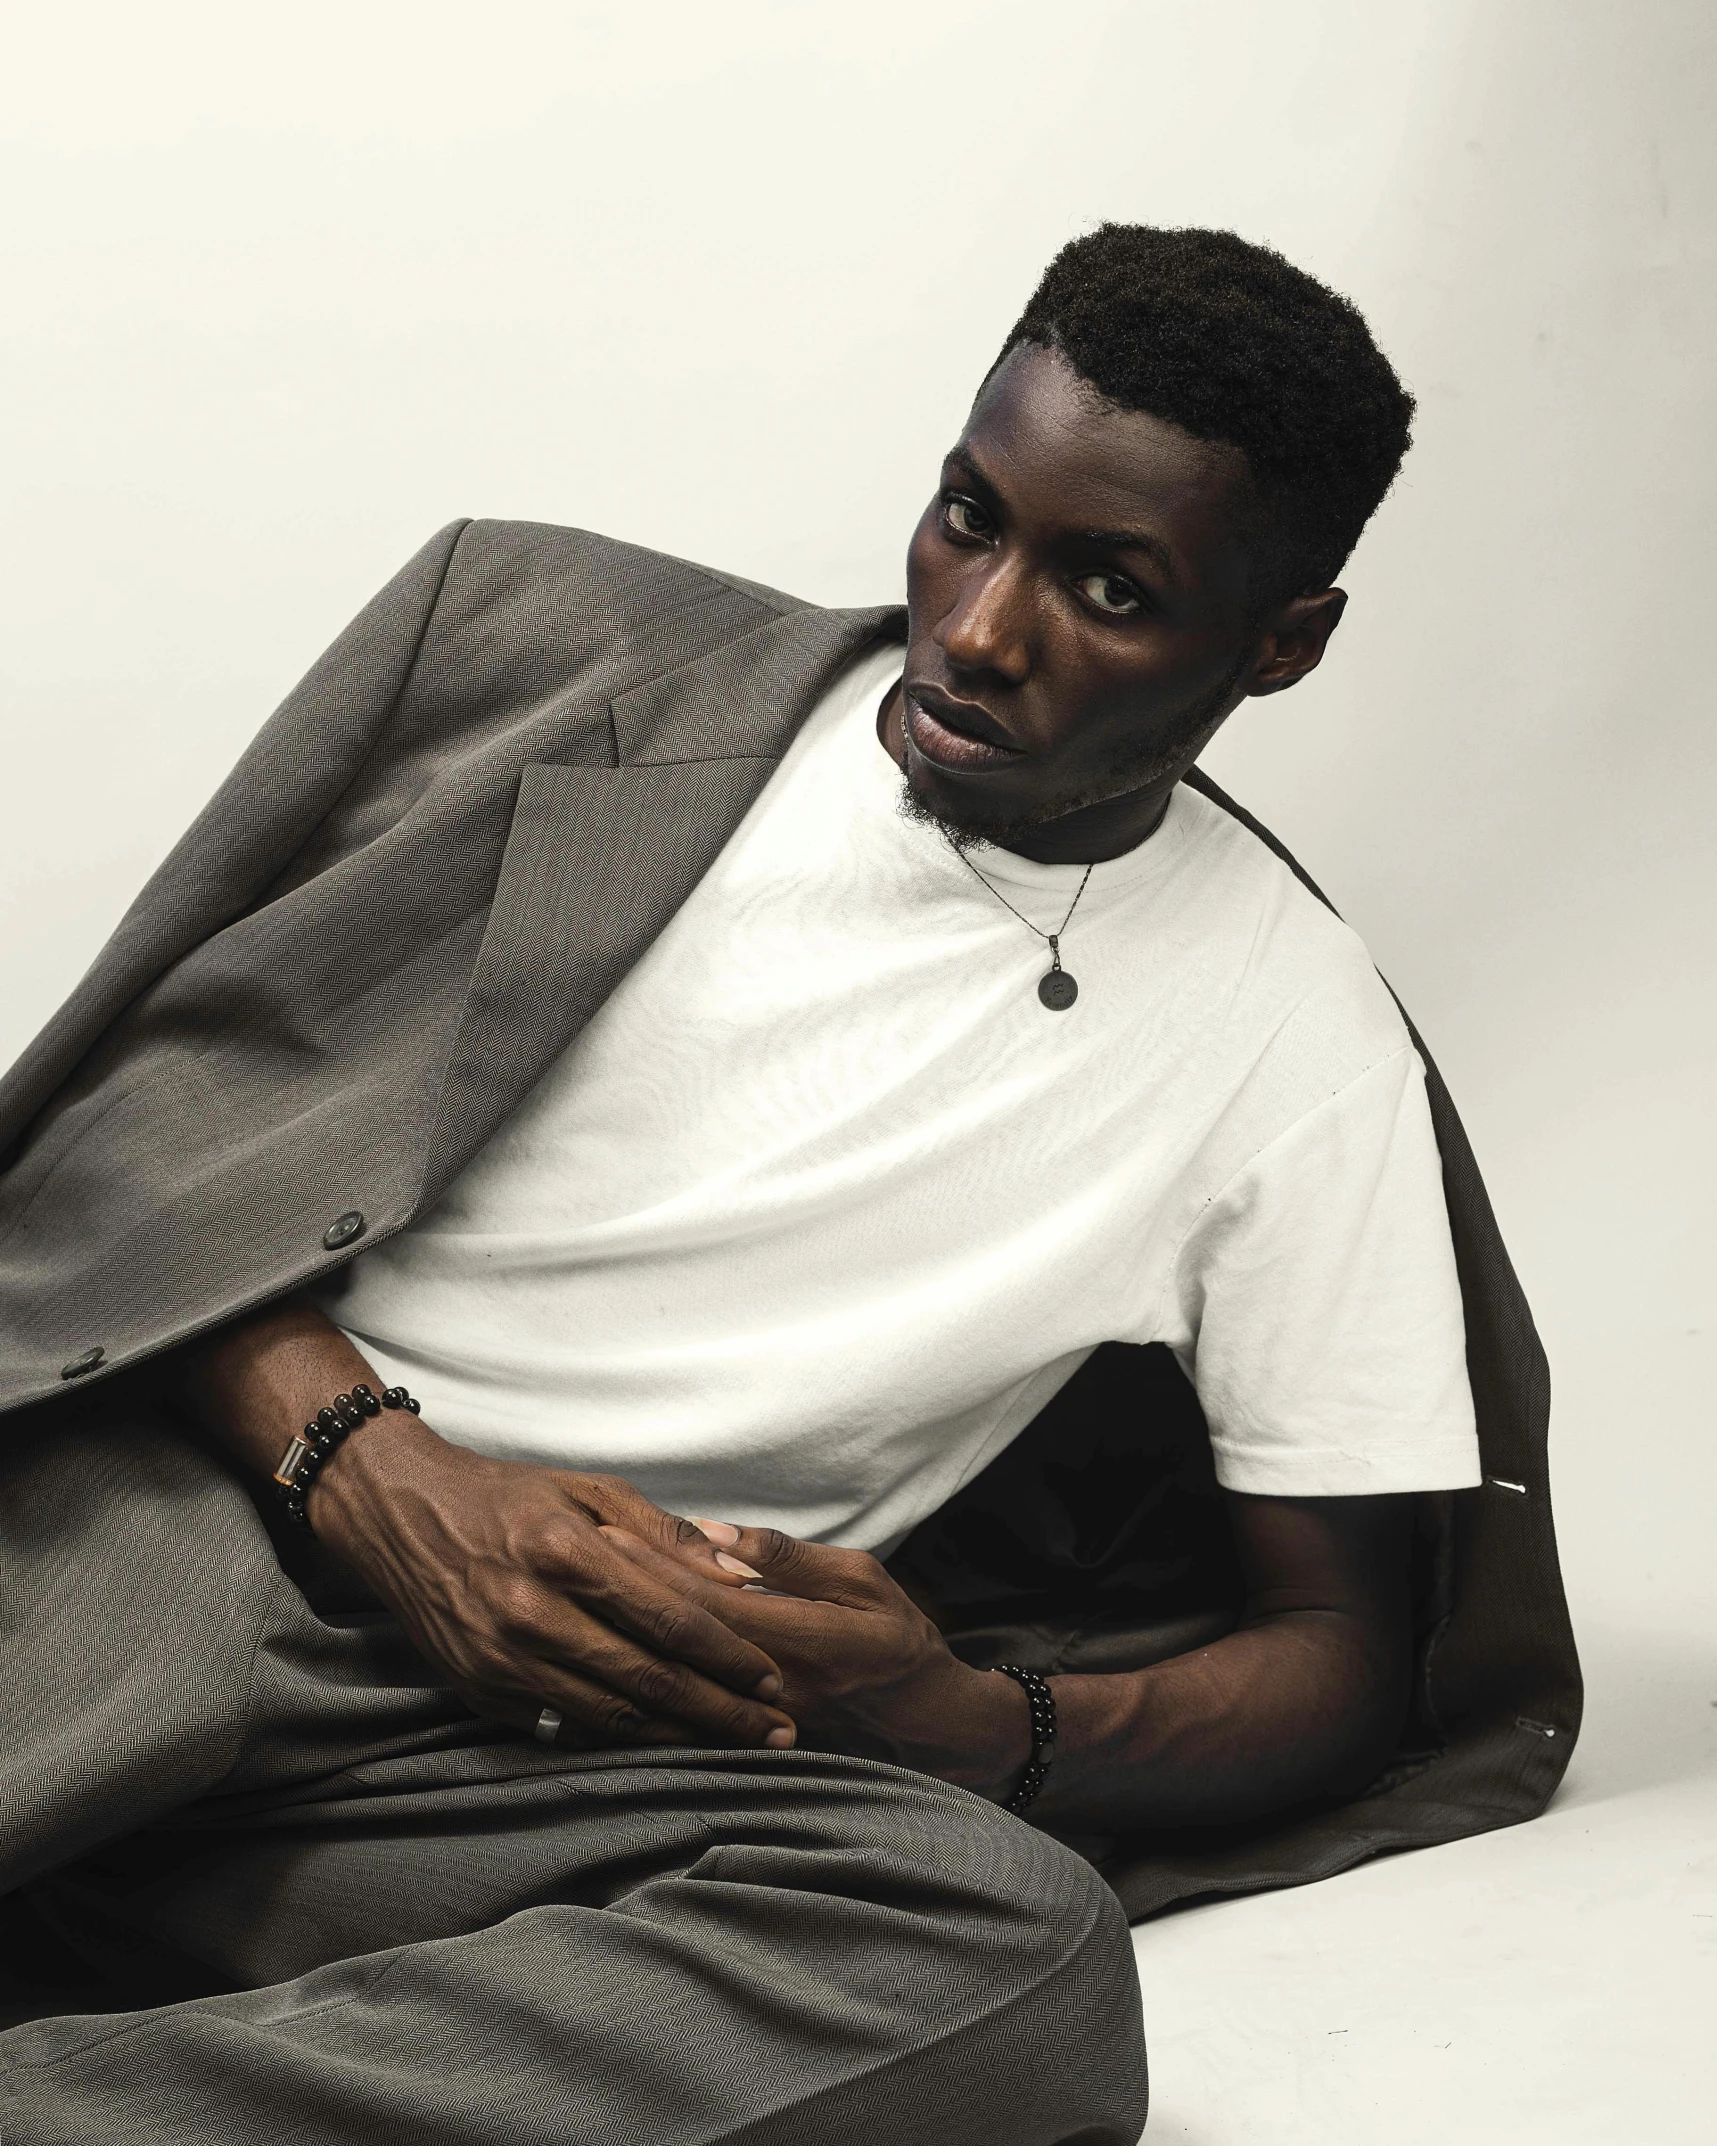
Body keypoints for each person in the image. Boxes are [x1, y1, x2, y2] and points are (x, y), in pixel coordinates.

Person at [0, 226, 1579, 2144]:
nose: (983, 629)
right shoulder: (557, 663)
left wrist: (967, 1720)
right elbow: (119, 1170)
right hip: (149, 1542)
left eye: (1109, 586)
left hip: (523, 1753)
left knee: (1011, 1956)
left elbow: (1343, 1657)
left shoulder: (1297, 1037)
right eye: (967, 517)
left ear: (1282, 643)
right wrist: (384, 1475)